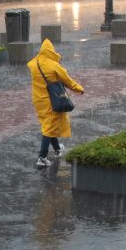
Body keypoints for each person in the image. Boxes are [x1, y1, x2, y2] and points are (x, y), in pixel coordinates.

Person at [27, 39, 85, 169]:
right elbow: (68, 81)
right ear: (51, 51)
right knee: (48, 127)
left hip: (38, 100)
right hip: (51, 100)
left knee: (47, 123)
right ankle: (42, 157)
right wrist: (79, 89)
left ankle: (57, 149)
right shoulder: (53, 66)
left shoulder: (33, 63)